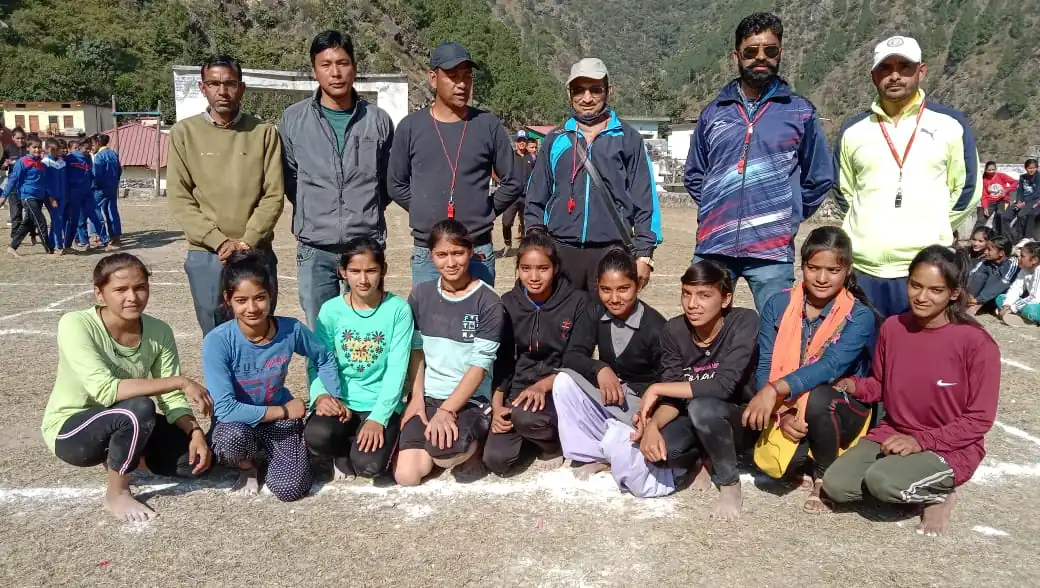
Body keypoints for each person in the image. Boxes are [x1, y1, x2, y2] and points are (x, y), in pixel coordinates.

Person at [823, 245, 1000, 536]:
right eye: (915, 285)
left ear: (954, 293)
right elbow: (881, 385)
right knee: (836, 486)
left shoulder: (977, 343)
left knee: (883, 482)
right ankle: (908, 479)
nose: (921, 296)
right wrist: (852, 385)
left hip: (950, 446)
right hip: (893, 433)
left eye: (935, 290)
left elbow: (979, 419)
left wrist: (920, 441)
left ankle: (939, 495)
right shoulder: (893, 328)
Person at [41, 253, 214, 522]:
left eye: (140, 287)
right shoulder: (76, 324)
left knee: (192, 463)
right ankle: (117, 492)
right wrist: (181, 381)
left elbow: (170, 397)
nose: (132, 297)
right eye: (120, 290)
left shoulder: (159, 331)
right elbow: (106, 391)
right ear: (99, 294)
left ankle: (125, 454)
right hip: (71, 430)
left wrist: (195, 432)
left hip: (125, 417)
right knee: (138, 408)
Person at [684, 13, 833, 311]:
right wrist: (719, 206)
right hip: (714, 246)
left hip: (771, 253)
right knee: (702, 327)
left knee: (777, 329)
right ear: (737, 56)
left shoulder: (800, 112)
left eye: (770, 50)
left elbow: (819, 176)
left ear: (780, 53)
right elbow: (695, 174)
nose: (761, 57)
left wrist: (787, 213)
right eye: (751, 51)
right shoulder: (714, 113)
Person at [833, 36, 981, 318]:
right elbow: (844, 191)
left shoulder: (950, 125)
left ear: (921, 71)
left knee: (918, 347)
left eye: (904, 67)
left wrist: (935, 227)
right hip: (864, 270)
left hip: (925, 271)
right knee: (864, 346)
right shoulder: (853, 130)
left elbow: (967, 189)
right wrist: (865, 226)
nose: (895, 75)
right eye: (885, 68)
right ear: (874, 75)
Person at [742, 226, 878, 512]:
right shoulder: (778, 304)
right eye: (813, 268)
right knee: (777, 467)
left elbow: (830, 366)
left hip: (837, 407)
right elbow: (766, 362)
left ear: (847, 271)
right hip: (787, 404)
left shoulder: (859, 315)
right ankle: (804, 455)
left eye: (833, 270)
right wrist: (781, 413)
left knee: (818, 396)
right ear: (802, 265)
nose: (822, 278)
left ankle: (824, 474)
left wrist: (775, 390)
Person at [203, 252, 342, 501]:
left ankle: (278, 452)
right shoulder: (218, 341)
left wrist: (329, 396)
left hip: (278, 424)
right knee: (229, 440)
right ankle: (248, 466)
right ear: (228, 300)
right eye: (241, 300)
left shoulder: (290, 329)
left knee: (291, 489)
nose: (252, 308)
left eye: (260, 298)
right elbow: (225, 409)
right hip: (240, 422)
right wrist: (285, 411)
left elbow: (324, 357)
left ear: (271, 295)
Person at [280, 30, 395, 329]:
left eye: (342, 63)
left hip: (364, 246)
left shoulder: (378, 121)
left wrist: (363, 210)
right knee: (320, 332)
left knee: (365, 330)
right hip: (315, 248)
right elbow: (290, 177)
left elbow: (386, 180)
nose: (335, 72)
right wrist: (313, 208)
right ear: (314, 70)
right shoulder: (293, 119)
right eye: (326, 64)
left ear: (354, 66)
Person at [168, 54, 285, 335]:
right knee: (215, 331)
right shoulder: (184, 133)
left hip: (255, 250)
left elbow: (273, 194)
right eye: (214, 83)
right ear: (202, 88)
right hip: (207, 253)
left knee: (258, 329)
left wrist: (248, 240)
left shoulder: (264, 133)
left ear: (241, 88)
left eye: (230, 84)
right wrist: (218, 241)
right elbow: (180, 197)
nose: (223, 91)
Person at [389, 42, 522, 286]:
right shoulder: (410, 127)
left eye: (467, 76)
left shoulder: (488, 125)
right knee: (429, 312)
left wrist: (486, 210)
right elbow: (395, 184)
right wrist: (421, 209)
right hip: (429, 251)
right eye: (452, 76)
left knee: (479, 312)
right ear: (433, 78)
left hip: (477, 249)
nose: (462, 84)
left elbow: (513, 181)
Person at [552, 248, 682, 497]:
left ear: (638, 285)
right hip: (612, 396)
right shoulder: (594, 311)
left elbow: (669, 383)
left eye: (623, 289)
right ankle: (591, 453)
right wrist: (599, 368)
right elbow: (572, 355)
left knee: (636, 477)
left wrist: (648, 417)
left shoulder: (656, 327)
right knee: (563, 382)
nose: (614, 298)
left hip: (641, 409)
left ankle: (615, 451)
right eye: (606, 289)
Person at [525, 58, 662, 292]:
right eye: (579, 90)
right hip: (560, 251)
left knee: (608, 316)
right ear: (569, 93)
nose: (587, 98)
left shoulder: (628, 139)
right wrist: (536, 241)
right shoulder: (555, 139)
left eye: (595, 90)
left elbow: (645, 199)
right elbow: (536, 196)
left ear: (609, 91)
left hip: (613, 252)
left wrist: (644, 254)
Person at [638, 261, 760, 520]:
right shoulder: (673, 330)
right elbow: (673, 394)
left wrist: (656, 387)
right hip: (695, 416)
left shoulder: (744, 322)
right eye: (686, 294)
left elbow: (723, 386)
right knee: (663, 450)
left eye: (704, 295)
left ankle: (729, 482)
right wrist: (652, 426)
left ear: (725, 299)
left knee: (703, 407)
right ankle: (702, 459)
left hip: (738, 420)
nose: (692, 304)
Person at [394, 219, 505, 486]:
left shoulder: (488, 301)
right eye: (442, 254)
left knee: (444, 454)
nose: (451, 262)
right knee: (408, 476)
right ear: (431, 255)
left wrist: (447, 410)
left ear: (471, 251)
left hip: (470, 400)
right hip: (430, 397)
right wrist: (417, 398)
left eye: (458, 253)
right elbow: (417, 352)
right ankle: (436, 443)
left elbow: (480, 366)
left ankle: (474, 443)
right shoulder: (420, 295)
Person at [304, 237, 413, 479]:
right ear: (343, 272)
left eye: (371, 271)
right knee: (317, 436)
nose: (363, 279)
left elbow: (397, 369)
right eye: (355, 271)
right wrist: (322, 395)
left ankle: (372, 436)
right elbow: (318, 360)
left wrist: (379, 418)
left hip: (380, 403)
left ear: (383, 270)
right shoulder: (331, 310)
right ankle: (343, 449)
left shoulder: (398, 310)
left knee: (368, 467)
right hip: (342, 401)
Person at [482, 233, 585, 475]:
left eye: (543, 268)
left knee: (527, 418)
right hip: (518, 391)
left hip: (557, 389)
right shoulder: (507, 303)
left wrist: (542, 386)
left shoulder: (578, 302)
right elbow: (503, 361)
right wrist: (497, 406)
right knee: (497, 460)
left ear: (555, 268)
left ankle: (551, 444)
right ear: (518, 268)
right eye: (526, 268)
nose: (534, 277)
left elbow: (578, 359)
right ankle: (530, 434)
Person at [2, 136, 54, 256]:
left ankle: (12, 247)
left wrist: (50, 196)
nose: (37, 150)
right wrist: (4, 196)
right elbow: (13, 179)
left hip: (39, 197)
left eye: (39, 147)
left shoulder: (41, 165)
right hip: (27, 196)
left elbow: (45, 182)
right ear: (28, 148)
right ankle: (49, 249)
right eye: (34, 147)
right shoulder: (22, 161)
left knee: (28, 223)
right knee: (41, 221)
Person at [66, 139, 110, 250]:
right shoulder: (70, 159)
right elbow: (65, 176)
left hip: (88, 192)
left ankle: (105, 241)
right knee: (78, 220)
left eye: (90, 148)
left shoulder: (89, 158)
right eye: (86, 148)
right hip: (74, 193)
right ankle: (80, 243)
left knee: (97, 217)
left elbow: (91, 174)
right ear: (80, 147)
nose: (88, 150)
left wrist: (93, 185)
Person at [499, 130, 533, 257]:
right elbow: (497, 169)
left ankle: (524, 247)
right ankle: (507, 244)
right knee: (506, 222)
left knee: (526, 224)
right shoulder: (510, 157)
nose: (522, 143)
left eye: (524, 140)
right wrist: (501, 182)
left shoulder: (532, 157)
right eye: (519, 140)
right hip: (512, 197)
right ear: (516, 142)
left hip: (527, 196)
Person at [967, 234, 1019, 313]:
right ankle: (968, 301)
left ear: (1001, 253)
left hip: (998, 298)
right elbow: (973, 276)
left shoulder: (1013, 263)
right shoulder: (987, 261)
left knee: (995, 279)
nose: (985, 252)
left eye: (989, 249)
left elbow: (1002, 285)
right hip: (983, 297)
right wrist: (969, 295)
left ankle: (977, 305)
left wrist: (979, 300)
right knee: (979, 275)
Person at [998, 241, 1040, 327]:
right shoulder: (1025, 268)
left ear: (1034, 260)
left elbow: (1034, 297)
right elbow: (1015, 288)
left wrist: (1012, 308)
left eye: (1022, 256)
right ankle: (1017, 315)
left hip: (1036, 303)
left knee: (1030, 309)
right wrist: (1007, 305)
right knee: (1001, 298)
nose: (1018, 258)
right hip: (1031, 302)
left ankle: (1027, 319)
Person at [92, 134, 123, 248]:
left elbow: (97, 173)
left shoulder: (99, 156)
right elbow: (119, 170)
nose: (92, 147)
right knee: (112, 211)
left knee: (94, 209)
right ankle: (116, 237)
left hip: (101, 188)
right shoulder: (113, 154)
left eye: (93, 144)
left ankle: (98, 235)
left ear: (98, 143)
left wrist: (93, 185)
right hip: (112, 187)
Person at [1001, 159, 1040, 243]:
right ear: (1025, 168)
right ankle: (1007, 237)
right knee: (1005, 215)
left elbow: (1037, 193)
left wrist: (1024, 202)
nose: (1031, 170)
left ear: (1037, 168)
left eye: (1033, 168)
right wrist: (1018, 201)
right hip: (1021, 201)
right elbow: (1020, 191)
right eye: (1029, 168)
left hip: (1033, 201)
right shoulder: (1022, 177)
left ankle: (1019, 238)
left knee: (1021, 214)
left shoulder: (1038, 177)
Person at [42, 138, 67, 255]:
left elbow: (65, 181)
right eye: (53, 150)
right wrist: (51, 197)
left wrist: (66, 195)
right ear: (47, 149)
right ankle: (58, 245)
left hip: (62, 196)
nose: (55, 152)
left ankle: (50, 244)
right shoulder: (45, 163)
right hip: (52, 197)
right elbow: (45, 182)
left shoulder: (62, 163)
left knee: (56, 220)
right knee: (58, 219)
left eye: (57, 150)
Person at [2, 126, 27, 237]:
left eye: (22, 138)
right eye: (17, 138)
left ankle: (31, 232)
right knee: (15, 212)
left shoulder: (29, 148)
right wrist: (5, 165)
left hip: (27, 185)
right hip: (14, 185)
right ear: (13, 138)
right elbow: (2, 165)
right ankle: (16, 235)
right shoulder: (8, 149)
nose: (20, 140)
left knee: (30, 211)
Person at [980, 161, 1017, 234]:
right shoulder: (984, 179)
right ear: (985, 170)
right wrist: (985, 207)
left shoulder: (1001, 176)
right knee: (982, 218)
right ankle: (975, 236)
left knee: (1000, 214)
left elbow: (1015, 182)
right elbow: (984, 195)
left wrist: (1006, 190)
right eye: (989, 170)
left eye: (993, 169)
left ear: (996, 169)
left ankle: (1000, 235)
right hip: (990, 201)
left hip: (1004, 200)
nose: (991, 171)